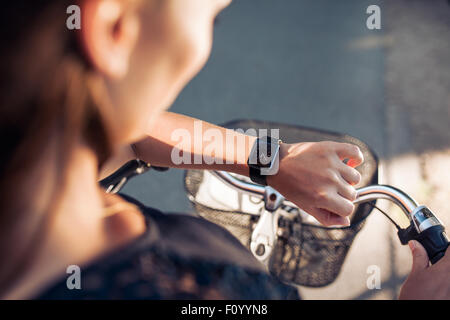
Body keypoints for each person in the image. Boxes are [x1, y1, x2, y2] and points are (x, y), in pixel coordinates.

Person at [0, 0, 448, 299]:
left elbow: (125, 130)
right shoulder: (215, 287)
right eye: (209, 14)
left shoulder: (31, 143)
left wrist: (274, 160)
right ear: (113, 27)